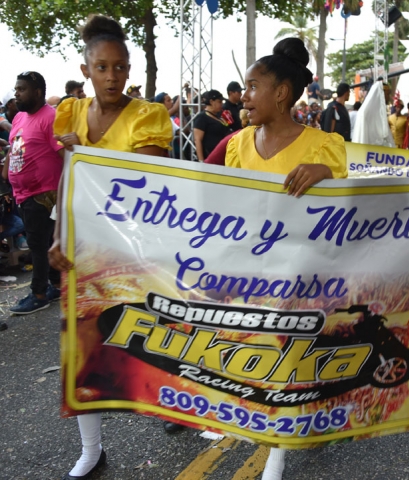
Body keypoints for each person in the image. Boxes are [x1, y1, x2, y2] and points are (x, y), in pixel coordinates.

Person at [47, 14, 173, 480]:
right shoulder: (70, 113)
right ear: (86, 70)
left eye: (120, 67)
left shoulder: (148, 116)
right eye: (102, 67)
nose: (112, 76)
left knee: (154, 336)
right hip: (85, 248)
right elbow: (70, 179)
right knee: (84, 347)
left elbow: (146, 178)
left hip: (139, 247)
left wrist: (82, 152)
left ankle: (179, 408)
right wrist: (58, 236)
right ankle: (91, 450)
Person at [224, 37, 347, 480]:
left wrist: (325, 173)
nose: (244, 96)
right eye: (244, 87)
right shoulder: (238, 143)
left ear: (280, 93)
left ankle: (276, 450)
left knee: (288, 355)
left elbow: (348, 207)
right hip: (250, 272)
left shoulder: (324, 145)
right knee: (255, 351)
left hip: (300, 275)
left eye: (252, 87)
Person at [3, 71, 63, 315]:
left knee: (37, 246)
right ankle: (56, 286)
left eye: (22, 89)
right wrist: (7, 171)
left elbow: (65, 154)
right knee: (44, 243)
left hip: (43, 193)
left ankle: (38, 294)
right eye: (16, 89)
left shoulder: (51, 117)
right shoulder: (19, 117)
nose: (16, 94)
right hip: (22, 193)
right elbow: (14, 146)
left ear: (37, 92)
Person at [192, 89, 233, 162]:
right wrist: (201, 160)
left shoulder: (219, 116)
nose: (221, 104)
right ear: (211, 101)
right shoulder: (202, 117)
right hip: (210, 157)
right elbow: (197, 140)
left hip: (223, 156)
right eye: (219, 102)